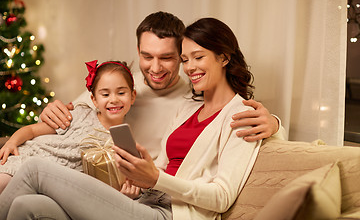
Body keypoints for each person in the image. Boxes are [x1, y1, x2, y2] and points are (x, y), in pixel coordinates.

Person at [0, 17, 282, 220]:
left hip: (171, 212)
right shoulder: (181, 105)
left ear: (223, 58)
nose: (190, 67)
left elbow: (221, 196)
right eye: (186, 60)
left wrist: (275, 125)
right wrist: (139, 183)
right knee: (27, 205)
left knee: (35, 169)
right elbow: (82, 108)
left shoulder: (239, 115)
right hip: (141, 198)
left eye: (196, 57)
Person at [38, 11, 284, 161]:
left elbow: (232, 112)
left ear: (181, 55)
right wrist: (50, 112)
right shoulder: (120, 86)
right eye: (147, 56)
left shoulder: (196, 93)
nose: (155, 68)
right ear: (138, 52)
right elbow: (72, 115)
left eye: (166, 58)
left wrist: (274, 124)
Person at [0, 60, 136, 193]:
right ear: (94, 100)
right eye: (105, 94)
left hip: (47, 183)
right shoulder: (79, 115)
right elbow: (32, 130)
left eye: (121, 93)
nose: (114, 100)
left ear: (132, 96)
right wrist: (11, 142)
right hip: (26, 158)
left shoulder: (123, 142)